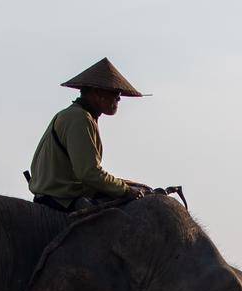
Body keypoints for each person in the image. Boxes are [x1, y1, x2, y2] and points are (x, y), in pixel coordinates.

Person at [26, 58, 150, 211]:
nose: (118, 98)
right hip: (61, 199)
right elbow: (89, 173)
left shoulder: (74, 115)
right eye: (113, 92)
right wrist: (125, 190)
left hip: (58, 193)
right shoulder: (80, 118)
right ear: (96, 92)